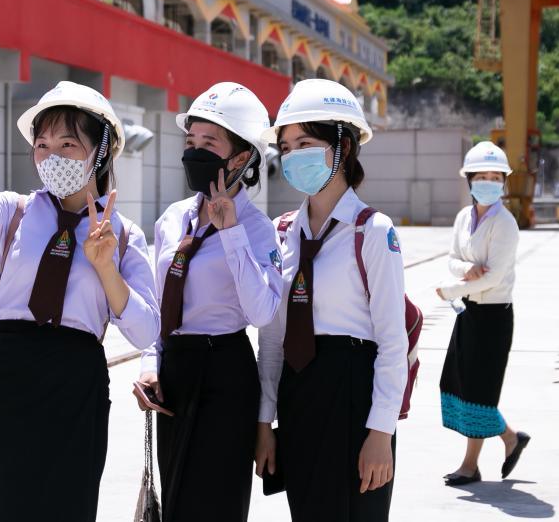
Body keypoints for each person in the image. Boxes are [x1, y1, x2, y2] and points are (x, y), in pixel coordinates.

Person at [0, 81, 159, 521]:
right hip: (3, 371)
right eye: (42, 145)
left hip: (74, 379)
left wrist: (106, 268)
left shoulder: (124, 235)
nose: (52, 155)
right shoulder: (15, 210)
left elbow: (145, 330)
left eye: (67, 143)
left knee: (64, 505)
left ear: (101, 151)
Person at [255, 79, 407, 522]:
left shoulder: (373, 231)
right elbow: (272, 340)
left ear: (344, 146)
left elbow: (392, 342)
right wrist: (265, 422)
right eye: (285, 147)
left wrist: (381, 432)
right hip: (298, 396)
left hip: (354, 396)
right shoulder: (282, 232)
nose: (292, 156)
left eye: (305, 143)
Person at [135, 82, 282, 522]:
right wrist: (150, 364)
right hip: (175, 371)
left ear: (240, 158)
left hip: (225, 372)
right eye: (190, 142)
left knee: (217, 504)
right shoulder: (171, 218)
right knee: (178, 500)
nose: (195, 152)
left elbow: (262, 312)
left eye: (209, 143)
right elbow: (159, 303)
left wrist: (231, 233)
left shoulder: (258, 229)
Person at [436, 141, 530, 486]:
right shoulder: (464, 217)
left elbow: (493, 278)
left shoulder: (505, 224)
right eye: (482, 176)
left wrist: (451, 289)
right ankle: (511, 438)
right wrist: (466, 269)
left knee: (479, 392)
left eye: (495, 177)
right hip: (468, 313)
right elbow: (452, 258)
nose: (489, 182)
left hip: (493, 317)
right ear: (470, 180)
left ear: (503, 181)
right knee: (458, 384)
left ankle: (470, 466)